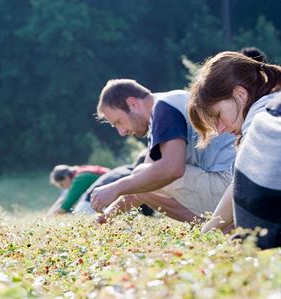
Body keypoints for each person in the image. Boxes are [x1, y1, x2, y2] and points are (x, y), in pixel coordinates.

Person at [90, 79, 236, 223]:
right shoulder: (167, 104)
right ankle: (213, 227)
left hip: (228, 186)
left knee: (143, 176)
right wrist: (106, 216)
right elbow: (140, 186)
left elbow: (172, 169)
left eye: (118, 122)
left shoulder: (163, 107)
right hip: (233, 186)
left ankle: (215, 228)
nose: (121, 132)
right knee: (143, 178)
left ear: (133, 103)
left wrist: (115, 188)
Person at [188, 51, 281, 249]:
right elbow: (240, 184)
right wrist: (209, 231)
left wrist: (205, 236)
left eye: (218, 116)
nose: (220, 130)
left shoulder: (262, 116)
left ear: (240, 94)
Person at [73, 149, 154, 216]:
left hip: (84, 206)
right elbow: (134, 199)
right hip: (93, 209)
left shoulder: (124, 169)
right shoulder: (131, 176)